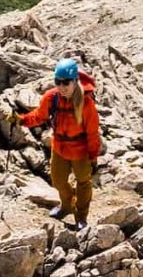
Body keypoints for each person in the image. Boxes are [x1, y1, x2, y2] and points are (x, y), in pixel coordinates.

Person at [19, 55, 103, 225]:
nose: (61, 86)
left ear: (74, 81)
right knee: (57, 180)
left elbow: (93, 133)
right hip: (59, 147)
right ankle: (66, 205)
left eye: (66, 82)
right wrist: (20, 120)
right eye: (58, 81)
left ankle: (81, 216)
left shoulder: (86, 104)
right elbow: (38, 116)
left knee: (83, 183)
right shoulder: (52, 97)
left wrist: (93, 156)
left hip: (80, 150)